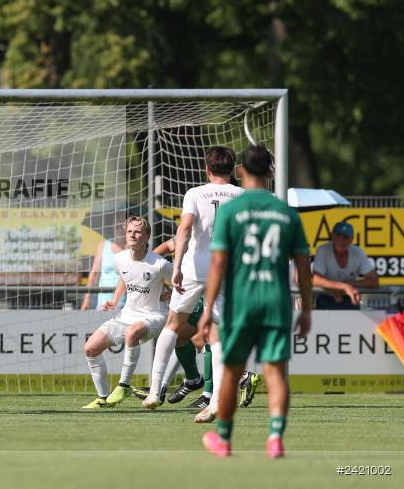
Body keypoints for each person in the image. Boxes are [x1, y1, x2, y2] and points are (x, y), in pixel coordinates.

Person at [198, 144, 313, 459]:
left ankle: (224, 439)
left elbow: (219, 263)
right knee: (275, 371)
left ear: (241, 172)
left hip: (241, 302)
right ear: (271, 172)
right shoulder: (285, 211)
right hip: (276, 300)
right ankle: (275, 437)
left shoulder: (232, 210)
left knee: (232, 372)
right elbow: (303, 265)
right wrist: (307, 308)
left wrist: (208, 309)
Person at [144, 146, 242, 409]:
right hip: (225, 272)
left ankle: (155, 391)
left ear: (207, 169)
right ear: (232, 170)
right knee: (217, 334)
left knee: (173, 325)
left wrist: (175, 267)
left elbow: (185, 228)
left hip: (194, 270)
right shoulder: (243, 195)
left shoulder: (195, 193)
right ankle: (218, 399)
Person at [81, 216, 173, 409]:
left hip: (155, 316)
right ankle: (103, 398)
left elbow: (181, 285)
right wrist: (115, 301)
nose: (133, 235)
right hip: (127, 314)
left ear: (147, 236)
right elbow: (125, 277)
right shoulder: (120, 258)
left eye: (138, 231)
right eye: (130, 231)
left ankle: (123, 385)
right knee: (90, 348)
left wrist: (170, 293)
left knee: (132, 332)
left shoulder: (160, 264)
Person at [311, 221, 375, 310]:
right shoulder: (323, 250)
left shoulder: (358, 252)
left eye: (346, 237)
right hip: (326, 298)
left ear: (352, 239)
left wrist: (348, 285)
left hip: (350, 298)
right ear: (332, 236)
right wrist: (344, 287)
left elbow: (374, 281)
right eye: (338, 236)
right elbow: (316, 280)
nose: (341, 241)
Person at [80, 233, 124, 311]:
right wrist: (87, 299)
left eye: (121, 226)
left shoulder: (131, 247)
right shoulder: (103, 245)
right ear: (113, 227)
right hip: (103, 303)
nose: (119, 229)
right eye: (117, 226)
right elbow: (94, 273)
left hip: (123, 304)